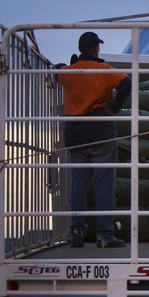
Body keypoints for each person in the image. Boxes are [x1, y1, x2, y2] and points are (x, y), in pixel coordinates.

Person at [57, 31, 131, 249]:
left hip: (76, 134)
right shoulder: (104, 70)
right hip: (100, 131)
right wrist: (114, 107)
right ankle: (105, 236)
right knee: (104, 186)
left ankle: (77, 230)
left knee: (78, 186)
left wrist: (63, 65)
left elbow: (57, 69)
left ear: (80, 49)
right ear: (97, 48)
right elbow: (127, 83)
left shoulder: (68, 73)